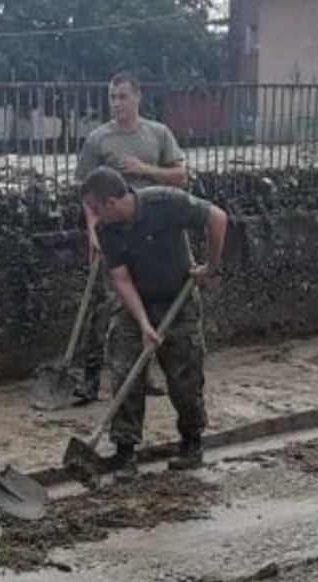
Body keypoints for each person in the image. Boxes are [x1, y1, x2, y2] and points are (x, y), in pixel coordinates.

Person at [82, 166, 228, 479]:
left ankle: (191, 443)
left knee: (185, 376)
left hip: (179, 300)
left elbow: (217, 218)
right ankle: (125, 452)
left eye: (95, 208)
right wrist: (144, 324)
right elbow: (121, 280)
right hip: (136, 305)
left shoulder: (166, 202)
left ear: (111, 203)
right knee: (124, 371)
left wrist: (209, 267)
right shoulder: (109, 231)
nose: (92, 216)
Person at [73, 71, 189, 403]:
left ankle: (143, 374)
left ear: (137, 97)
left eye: (123, 96)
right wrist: (92, 229)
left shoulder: (158, 133)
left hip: (153, 235)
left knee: (149, 303)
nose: (117, 104)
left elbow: (180, 177)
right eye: (112, 97)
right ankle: (90, 380)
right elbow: (86, 193)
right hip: (115, 235)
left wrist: (145, 169)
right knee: (107, 307)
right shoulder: (98, 140)